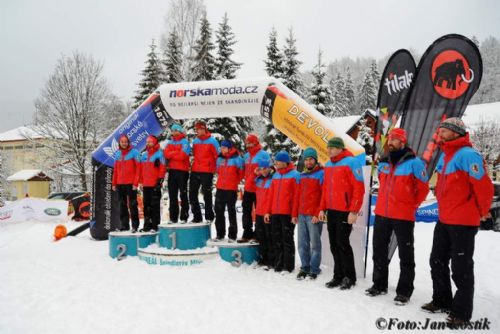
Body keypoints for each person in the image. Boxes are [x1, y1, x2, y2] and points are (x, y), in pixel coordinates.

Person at [421, 118, 493, 327]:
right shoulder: (445, 155)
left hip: (463, 220)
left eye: (444, 130)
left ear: (455, 132)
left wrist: (482, 211)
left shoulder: (469, 155)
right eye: (440, 129)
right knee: (437, 260)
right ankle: (442, 300)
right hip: (444, 218)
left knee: (461, 267)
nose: (440, 133)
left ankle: (461, 313)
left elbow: (483, 187)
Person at [366, 128, 429, 305]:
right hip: (382, 213)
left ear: (403, 142)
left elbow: (423, 188)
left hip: (403, 215)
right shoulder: (384, 162)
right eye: (390, 139)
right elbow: (381, 180)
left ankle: (404, 291)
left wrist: (410, 205)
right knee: (379, 249)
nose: (391, 142)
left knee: (406, 253)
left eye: (395, 140)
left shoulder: (415, 163)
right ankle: (379, 284)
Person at [319, 137, 364, 290]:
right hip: (331, 210)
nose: (329, 150)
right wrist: (322, 208)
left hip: (345, 211)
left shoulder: (351, 162)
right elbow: (325, 190)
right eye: (328, 147)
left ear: (339, 148)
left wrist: (354, 211)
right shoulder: (328, 164)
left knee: (342, 244)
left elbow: (359, 188)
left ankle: (349, 277)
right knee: (333, 244)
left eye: (331, 148)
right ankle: (338, 275)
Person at [264, 151, 300, 274]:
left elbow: (296, 197)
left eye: (278, 161)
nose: (276, 163)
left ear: (285, 162)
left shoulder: (295, 175)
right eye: (276, 161)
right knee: (276, 238)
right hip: (275, 212)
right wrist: (267, 212)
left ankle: (288, 266)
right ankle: (278, 264)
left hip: (287, 213)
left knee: (287, 239)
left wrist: (294, 214)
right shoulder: (275, 176)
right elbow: (271, 195)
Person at [292, 147, 324, 280]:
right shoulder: (301, 176)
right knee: (302, 244)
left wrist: (318, 213)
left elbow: (324, 196)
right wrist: (294, 214)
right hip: (301, 214)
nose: (308, 162)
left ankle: (314, 269)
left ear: (316, 160)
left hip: (313, 216)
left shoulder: (322, 174)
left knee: (315, 244)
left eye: (311, 159)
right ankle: (305, 267)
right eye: (306, 160)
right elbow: (297, 196)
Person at [240, 134, 270, 243]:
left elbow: (268, 169)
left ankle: (258, 234)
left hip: (259, 188)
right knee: (246, 210)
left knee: (259, 211)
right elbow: (243, 170)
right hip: (248, 187)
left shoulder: (263, 154)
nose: (248, 144)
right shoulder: (246, 156)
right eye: (246, 143)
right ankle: (247, 233)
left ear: (255, 142)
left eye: (250, 142)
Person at [212, 140, 244, 242]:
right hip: (220, 188)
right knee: (218, 211)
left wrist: (234, 181)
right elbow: (217, 170)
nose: (222, 149)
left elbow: (241, 173)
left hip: (231, 189)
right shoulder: (219, 158)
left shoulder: (237, 159)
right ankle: (220, 234)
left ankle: (232, 235)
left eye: (224, 147)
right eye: (221, 147)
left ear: (229, 148)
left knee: (231, 212)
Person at [189, 121, 220, 223]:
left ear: (205, 129)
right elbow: (194, 155)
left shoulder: (213, 141)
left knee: (207, 193)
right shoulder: (195, 141)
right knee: (192, 194)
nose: (200, 131)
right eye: (198, 129)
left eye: (201, 129)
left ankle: (209, 216)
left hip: (207, 171)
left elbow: (218, 156)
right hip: (195, 170)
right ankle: (197, 216)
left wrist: (215, 169)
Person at [112, 134, 140, 231]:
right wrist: (114, 183)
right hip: (120, 183)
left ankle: (135, 226)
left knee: (133, 205)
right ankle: (124, 226)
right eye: (122, 142)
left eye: (125, 141)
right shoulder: (117, 154)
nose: (124, 143)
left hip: (131, 184)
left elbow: (138, 168)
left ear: (128, 142)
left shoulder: (134, 152)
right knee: (122, 206)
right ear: (120, 143)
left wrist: (135, 183)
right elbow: (115, 170)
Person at [138, 135, 166, 232]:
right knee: (146, 206)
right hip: (146, 185)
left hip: (155, 184)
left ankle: (155, 225)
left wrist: (159, 181)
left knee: (155, 206)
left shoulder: (160, 154)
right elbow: (141, 170)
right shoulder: (144, 155)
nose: (148, 143)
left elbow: (162, 168)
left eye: (150, 142)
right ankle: (147, 226)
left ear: (154, 142)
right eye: (147, 142)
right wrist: (141, 182)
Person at [164, 123, 191, 224]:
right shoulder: (169, 142)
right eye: (173, 130)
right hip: (172, 171)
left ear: (180, 131)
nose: (174, 132)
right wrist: (176, 152)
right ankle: (173, 218)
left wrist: (172, 154)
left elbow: (183, 156)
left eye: (176, 130)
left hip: (183, 171)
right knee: (172, 195)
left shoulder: (185, 142)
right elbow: (166, 154)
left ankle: (184, 217)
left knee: (183, 194)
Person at [254, 158, 275, 270]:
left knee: (269, 237)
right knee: (261, 237)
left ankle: (272, 260)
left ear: (270, 168)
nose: (264, 171)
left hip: (269, 212)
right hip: (259, 212)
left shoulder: (273, 179)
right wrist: (254, 174)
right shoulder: (257, 179)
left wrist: (270, 211)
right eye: (261, 169)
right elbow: (248, 186)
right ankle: (263, 259)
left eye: (266, 168)